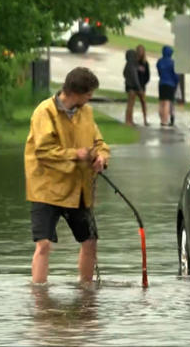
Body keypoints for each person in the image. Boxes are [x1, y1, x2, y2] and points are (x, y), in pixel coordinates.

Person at [24, 67, 110, 285]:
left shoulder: (87, 113)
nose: (91, 98)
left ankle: (87, 292)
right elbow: (42, 151)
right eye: (89, 93)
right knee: (43, 244)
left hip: (78, 189)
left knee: (90, 241)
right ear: (76, 92)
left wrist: (101, 157)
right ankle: (40, 296)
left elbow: (99, 142)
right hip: (46, 190)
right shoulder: (44, 112)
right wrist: (76, 154)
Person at [156, 45, 179, 126]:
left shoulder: (159, 61)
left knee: (161, 102)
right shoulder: (172, 63)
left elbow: (159, 72)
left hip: (161, 83)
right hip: (170, 84)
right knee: (167, 103)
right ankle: (165, 121)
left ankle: (161, 119)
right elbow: (175, 75)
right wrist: (176, 82)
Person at [123, 49, 142, 127]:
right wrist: (139, 87)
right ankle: (128, 121)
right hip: (132, 87)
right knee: (130, 104)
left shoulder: (128, 64)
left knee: (130, 104)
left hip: (128, 85)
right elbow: (135, 77)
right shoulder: (132, 64)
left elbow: (124, 73)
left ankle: (130, 120)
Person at [135, 44, 150, 126]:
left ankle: (145, 119)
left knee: (143, 102)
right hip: (133, 86)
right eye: (139, 51)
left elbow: (147, 76)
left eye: (141, 51)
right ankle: (130, 119)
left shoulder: (145, 63)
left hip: (142, 86)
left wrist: (142, 84)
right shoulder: (134, 62)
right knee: (131, 102)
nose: (140, 53)